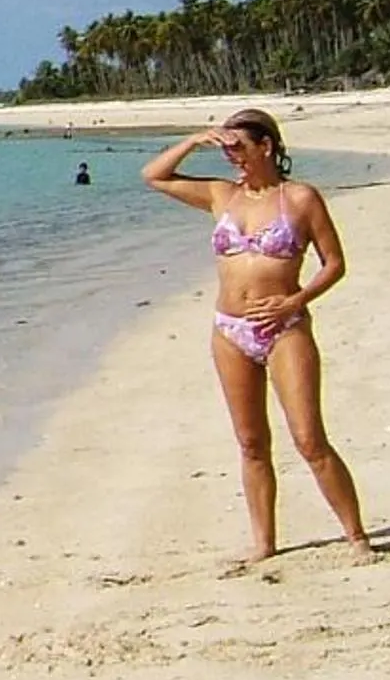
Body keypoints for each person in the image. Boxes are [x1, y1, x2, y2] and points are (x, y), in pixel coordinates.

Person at [142, 108, 376, 566]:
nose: (233, 159)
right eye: (227, 151)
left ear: (266, 147)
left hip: (284, 327)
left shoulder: (301, 198)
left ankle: (356, 536)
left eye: (239, 149)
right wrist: (194, 141)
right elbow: (154, 175)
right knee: (251, 443)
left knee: (309, 439)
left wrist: (296, 300)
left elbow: (334, 263)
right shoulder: (220, 195)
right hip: (230, 331)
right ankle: (264, 543)